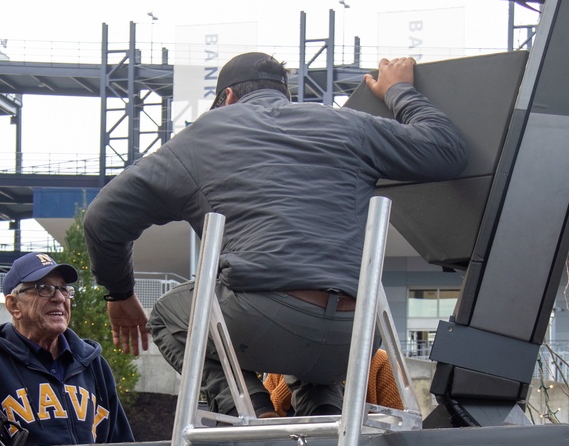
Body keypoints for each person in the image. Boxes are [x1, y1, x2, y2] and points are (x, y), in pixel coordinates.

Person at [83, 52, 467, 417]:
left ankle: (252, 411)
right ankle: (323, 424)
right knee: (317, 362)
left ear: (227, 97)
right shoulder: (344, 123)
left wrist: (120, 293)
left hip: (262, 320)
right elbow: (447, 150)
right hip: (357, 336)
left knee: (167, 314)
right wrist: (399, 90)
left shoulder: (202, 136)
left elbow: (102, 217)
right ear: (286, 95)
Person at [0, 252, 134, 446]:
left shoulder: (93, 364)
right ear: (14, 305)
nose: (59, 298)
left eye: (64, 289)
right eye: (44, 288)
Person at [264, 349, 404, 417]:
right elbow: (265, 424)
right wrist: (297, 376)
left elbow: (396, 426)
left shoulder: (380, 362)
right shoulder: (282, 365)